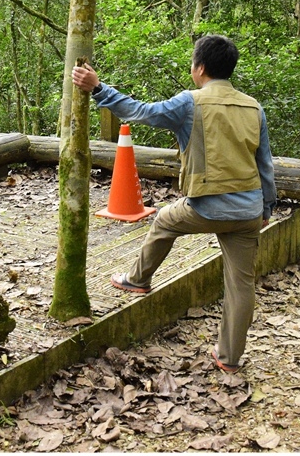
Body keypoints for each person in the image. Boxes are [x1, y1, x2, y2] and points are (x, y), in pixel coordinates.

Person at [71, 34, 276, 373]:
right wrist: (266, 210)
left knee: (164, 220)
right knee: (242, 283)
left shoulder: (190, 102)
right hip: (249, 212)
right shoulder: (253, 107)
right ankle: (230, 359)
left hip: (207, 207)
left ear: (200, 68)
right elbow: (265, 164)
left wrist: (98, 88)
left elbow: (140, 112)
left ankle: (137, 279)